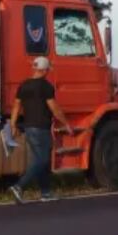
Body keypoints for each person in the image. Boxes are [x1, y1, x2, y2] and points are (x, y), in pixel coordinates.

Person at [8, 56, 74, 203]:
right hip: (41, 128)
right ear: (44, 70)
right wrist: (66, 124)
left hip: (29, 128)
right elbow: (55, 109)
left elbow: (16, 106)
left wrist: (13, 125)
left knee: (40, 160)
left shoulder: (24, 85)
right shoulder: (46, 86)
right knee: (43, 160)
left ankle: (46, 193)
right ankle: (19, 186)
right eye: (47, 70)